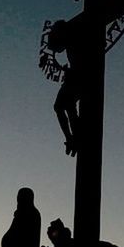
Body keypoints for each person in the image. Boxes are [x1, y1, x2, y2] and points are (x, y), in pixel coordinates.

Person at [47, 20, 84, 157]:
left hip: (79, 77)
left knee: (64, 105)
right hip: (75, 77)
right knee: (64, 106)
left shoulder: (75, 39)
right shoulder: (71, 41)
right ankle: (73, 136)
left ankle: (74, 136)